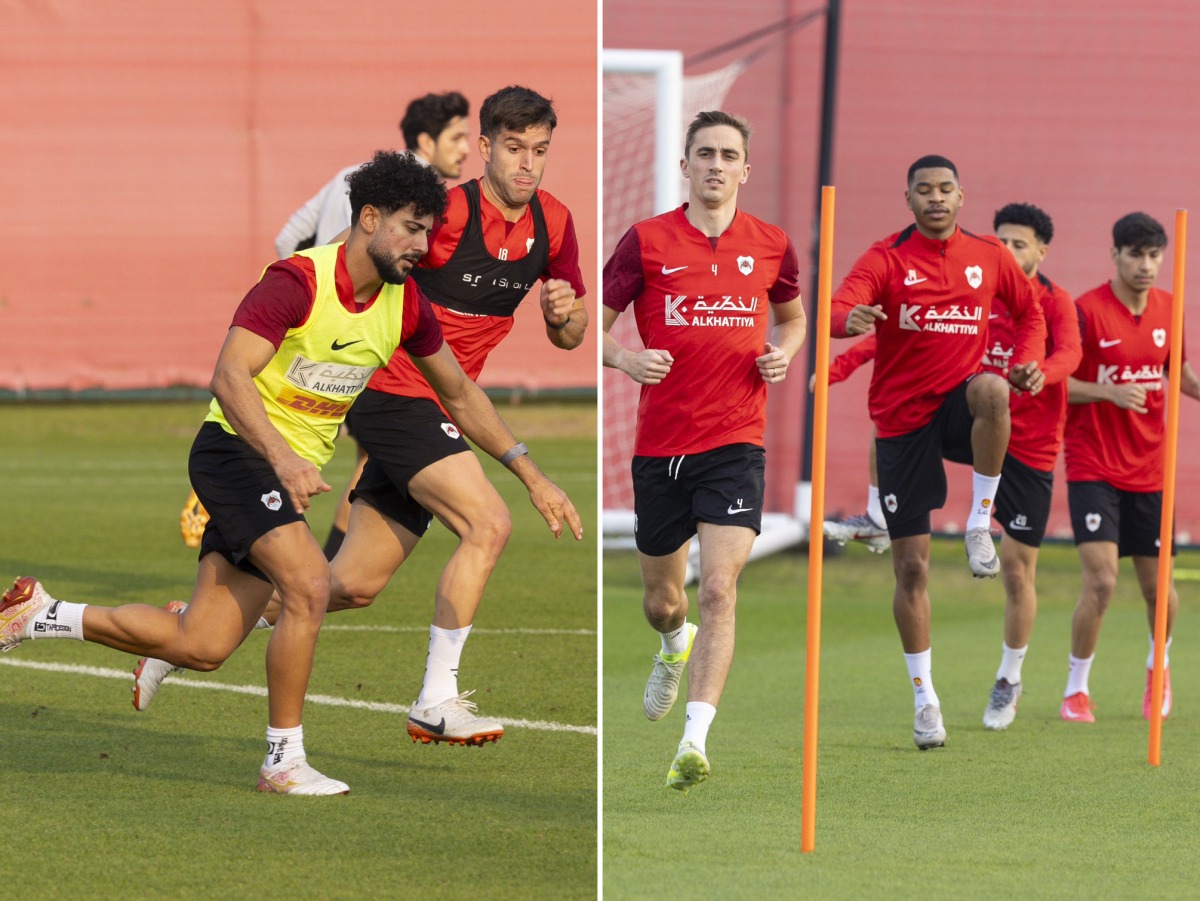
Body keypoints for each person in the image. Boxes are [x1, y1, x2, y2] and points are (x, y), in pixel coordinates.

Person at [1, 150, 579, 794]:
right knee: (309, 585)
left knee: (202, 645)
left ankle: (39, 613)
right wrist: (283, 458)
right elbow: (229, 376)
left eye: (427, 230)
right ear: (369, 219)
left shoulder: (404, 302)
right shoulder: (296, 282)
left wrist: (531, 474)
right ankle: (283, 761)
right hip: (235, 453)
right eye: (411, 229)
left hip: (279, 471)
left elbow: (461, 394)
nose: (422, 245)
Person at [138, 85, 587, 747]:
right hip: (390, 392)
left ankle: (188, 631)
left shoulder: (555, 224)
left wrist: (564, 315)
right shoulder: (448, 213)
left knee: (347, 585)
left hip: (443, 407)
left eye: (540, 150)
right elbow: (354, 261)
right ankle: (436, 700)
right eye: (514, 147)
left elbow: (571, 335)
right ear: (485, 148)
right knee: (488, 522)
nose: (527, 163)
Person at [603, 110, 807, 792]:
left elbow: (793, 317)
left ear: (746, 169)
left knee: (718, 587)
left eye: (728, 154)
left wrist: (784, 352)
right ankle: (672, 643)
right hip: (661, 448)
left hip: (735, 443)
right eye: (706, 153)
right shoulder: (646, 241)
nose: (717, 164)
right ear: (685, 165)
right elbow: (590, 329)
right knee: (665, 602)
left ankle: (694, 739)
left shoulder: (772, 244)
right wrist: (627, 359)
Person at [829, 155, 1046, 750]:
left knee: (993, 390)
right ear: (908, 199)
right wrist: (850, 319)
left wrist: (1028, 360)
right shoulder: (886, 257)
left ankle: (980, 523)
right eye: (923, 190)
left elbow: (1030, 314)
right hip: (902, 422)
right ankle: (925, 699)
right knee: (912, 569)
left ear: (960, 195)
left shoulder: (988, 255)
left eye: (945, 188)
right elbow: (836, 309)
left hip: (957, 403)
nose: (935, 198)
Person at [264, 90, 473, 560]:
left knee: (345, 454)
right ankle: (305, 569)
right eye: (457, 137)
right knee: (324, 453)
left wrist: (300, 299)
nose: (465, 149)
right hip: (357, 343)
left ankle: (315, 570)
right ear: (426, 140)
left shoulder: (351, 176)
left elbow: (287, 238)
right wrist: (325, 298)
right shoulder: (408, 201)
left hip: (319, 339)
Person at [1059, 212, 1200, 724]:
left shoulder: (1169, 307)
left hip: (1151, 468)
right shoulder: (1087, 311)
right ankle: (1076, 690)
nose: (1146, 265)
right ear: (1115, 255)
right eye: (1136, 255)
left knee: (1158, 589)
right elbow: (1058, 382)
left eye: (1154, 256)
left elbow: (1178, 373)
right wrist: (1109, 392)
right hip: (1093, 463)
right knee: (1101, 582)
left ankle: (1158, 668)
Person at [979, 203, 1081, 730]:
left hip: (1030, 448)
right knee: (900, 423)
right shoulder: (978, 293)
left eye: (1018, 244)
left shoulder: (1055, 300)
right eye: (1000, 242)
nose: (1006, 251)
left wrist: (1042, 372)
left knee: (1018, 569)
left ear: (1041, 251)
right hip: (977, 430)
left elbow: (1071, 354)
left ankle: (1009, 677)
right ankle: (879, 513)